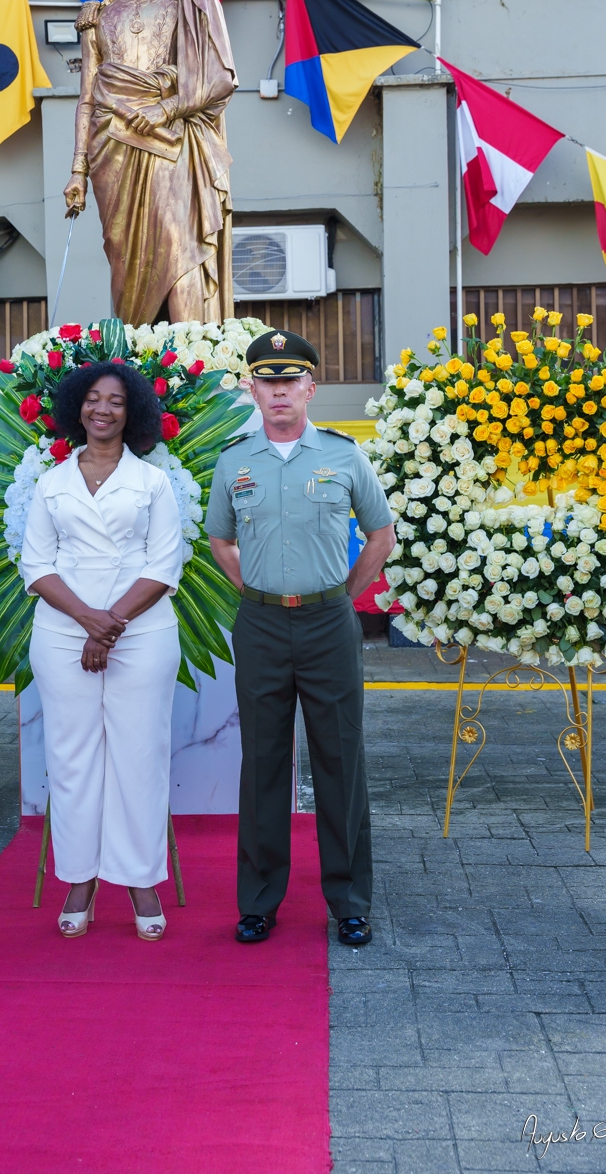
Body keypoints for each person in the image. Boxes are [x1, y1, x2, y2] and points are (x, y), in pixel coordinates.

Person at [205, 331, 396, 948]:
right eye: (268, 381)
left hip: (327, 622)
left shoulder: (345, 457)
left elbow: (381, 535)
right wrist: (252, 590)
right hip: (260, 623)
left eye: (291, 381)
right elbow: (220, 540)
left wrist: (344, 592)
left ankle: (349, 901)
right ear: (252, 390)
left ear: (310, 388)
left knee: (340, 759)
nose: (279, 391)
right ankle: (260, 900)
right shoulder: (234, 462)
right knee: (261, 760)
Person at [20, 362, 184, 941]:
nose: (103, 410)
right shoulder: (51, 483)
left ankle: (141, 880)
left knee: (139, 755)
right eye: (92, 399)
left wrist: (107, 626)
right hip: (64, 631)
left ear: (132, 410)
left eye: (116, 401)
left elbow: (165, 566)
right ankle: (80, 879)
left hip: (142, 632)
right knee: (71, 758)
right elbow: (35, 564)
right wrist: (88, 621)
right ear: (75, 409)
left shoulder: (153, 482)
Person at [62, 0, 237, 326]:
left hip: (174, 143)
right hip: (113, 151)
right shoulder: (98, 16)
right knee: (127, 267)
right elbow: (88, 96)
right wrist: (78, 171)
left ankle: (195, 364)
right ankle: (142, 372)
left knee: (182, 248)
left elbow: (221, 77)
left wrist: (167, 107)